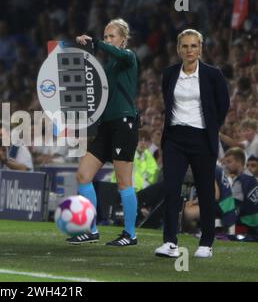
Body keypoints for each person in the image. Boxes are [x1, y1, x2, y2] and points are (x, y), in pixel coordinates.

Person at [155, 29, 230, 259]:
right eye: (185, 46)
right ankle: (169, 242)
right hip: (175, 139)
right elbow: (168, 105)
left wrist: (211, 128)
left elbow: (223, 104)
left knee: (206, 190)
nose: (189, 50)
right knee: (171, 189)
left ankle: (206, 242)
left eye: (194, 46)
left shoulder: (213, 74)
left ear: (201, 48)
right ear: (178, 50)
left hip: (202, 139)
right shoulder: (168, 74)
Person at [71, 18, 139, 246]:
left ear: (123, 39)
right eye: (106, 36)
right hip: (106, 126)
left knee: (123, 182)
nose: (109, 40)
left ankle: (130, 234)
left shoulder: (128, 57)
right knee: (83, 175)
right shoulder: (107, 66)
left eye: (112, 36)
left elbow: (116, 53)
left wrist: (97, 43)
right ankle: (91, 230)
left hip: (124, 124)